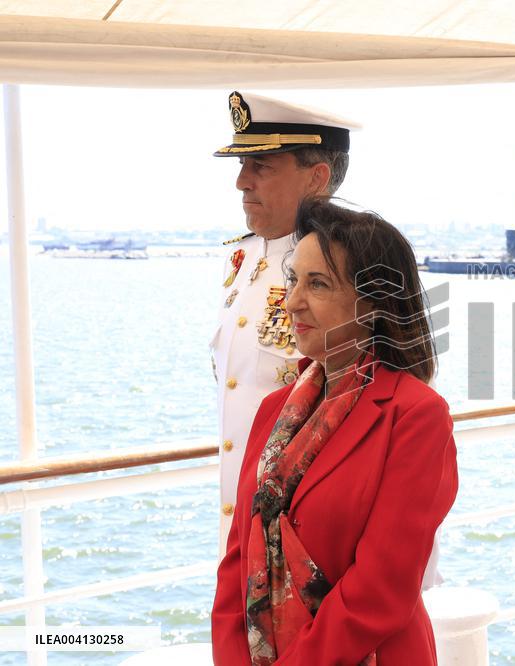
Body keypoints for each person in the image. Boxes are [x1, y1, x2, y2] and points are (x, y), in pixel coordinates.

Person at [212, 200, 458, 665]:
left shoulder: (416, 415)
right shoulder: (273, 411)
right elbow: (236, 564)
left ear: (372, 302)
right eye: (293, 280)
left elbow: (380, 591)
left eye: (318, 284)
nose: (293, 301)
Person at [211, 91, 358, 555]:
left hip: (311, 539)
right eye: (242, 166)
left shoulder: (354, 267)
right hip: (244, 527)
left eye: (261, 166)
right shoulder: (244, 257)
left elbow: (384, 409)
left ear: (317, 177)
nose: (241, 182)